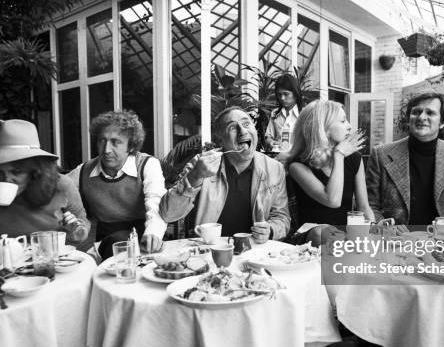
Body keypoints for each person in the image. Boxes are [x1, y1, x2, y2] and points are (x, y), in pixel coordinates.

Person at [365, 92, 444, 240]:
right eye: (416, 112)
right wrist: (384, 225)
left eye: (430, 112)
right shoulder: (381, 155)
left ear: (442, 122)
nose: (421, 117)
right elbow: (370, 205)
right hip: (397, 243)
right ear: (409, 118)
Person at [160, 107, 290, 242]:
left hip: (255, 252)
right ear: (220, 141)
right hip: (209, 250)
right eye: (233, 127)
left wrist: (270, 230)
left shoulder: (275, 169)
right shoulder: (200, 164)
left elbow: (282, 217)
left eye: (246, 124)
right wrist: (195, 177)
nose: (243, 131)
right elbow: (168, 214)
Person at [0, 119, 89, 242]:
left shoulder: (61, 185)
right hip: (6, 261)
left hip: (51, 259)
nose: (6, 180)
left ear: (35, 171)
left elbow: (82, 227)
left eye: (16, 172)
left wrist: (75, 230)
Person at [68, 110, 166, 256]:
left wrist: (153, 232)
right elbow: (57, 188)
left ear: (131, 146)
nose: (106, 150)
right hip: (106, 246)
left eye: (115, 142)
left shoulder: (147, 165)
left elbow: (156, 202)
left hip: (145, 243)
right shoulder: (83, 171)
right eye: (102, 140)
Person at [286, 100, 374, 229]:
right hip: (312, 236)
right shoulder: (297, 166)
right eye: (343, 121)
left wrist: (375, 228)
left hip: (345, 236)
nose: (349, 126)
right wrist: (338, 156)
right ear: (323, 128)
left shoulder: (354, 158)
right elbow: (332, 200)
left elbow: (363, 207)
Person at [264, 74, 304, 152]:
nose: (282, 98)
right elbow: (268, 136)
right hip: (278, 158)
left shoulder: (304, 114)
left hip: (297, 158)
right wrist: (271, 142)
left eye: (286, 94)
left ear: (295, 93)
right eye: (279, 94)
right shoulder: (275, 113)